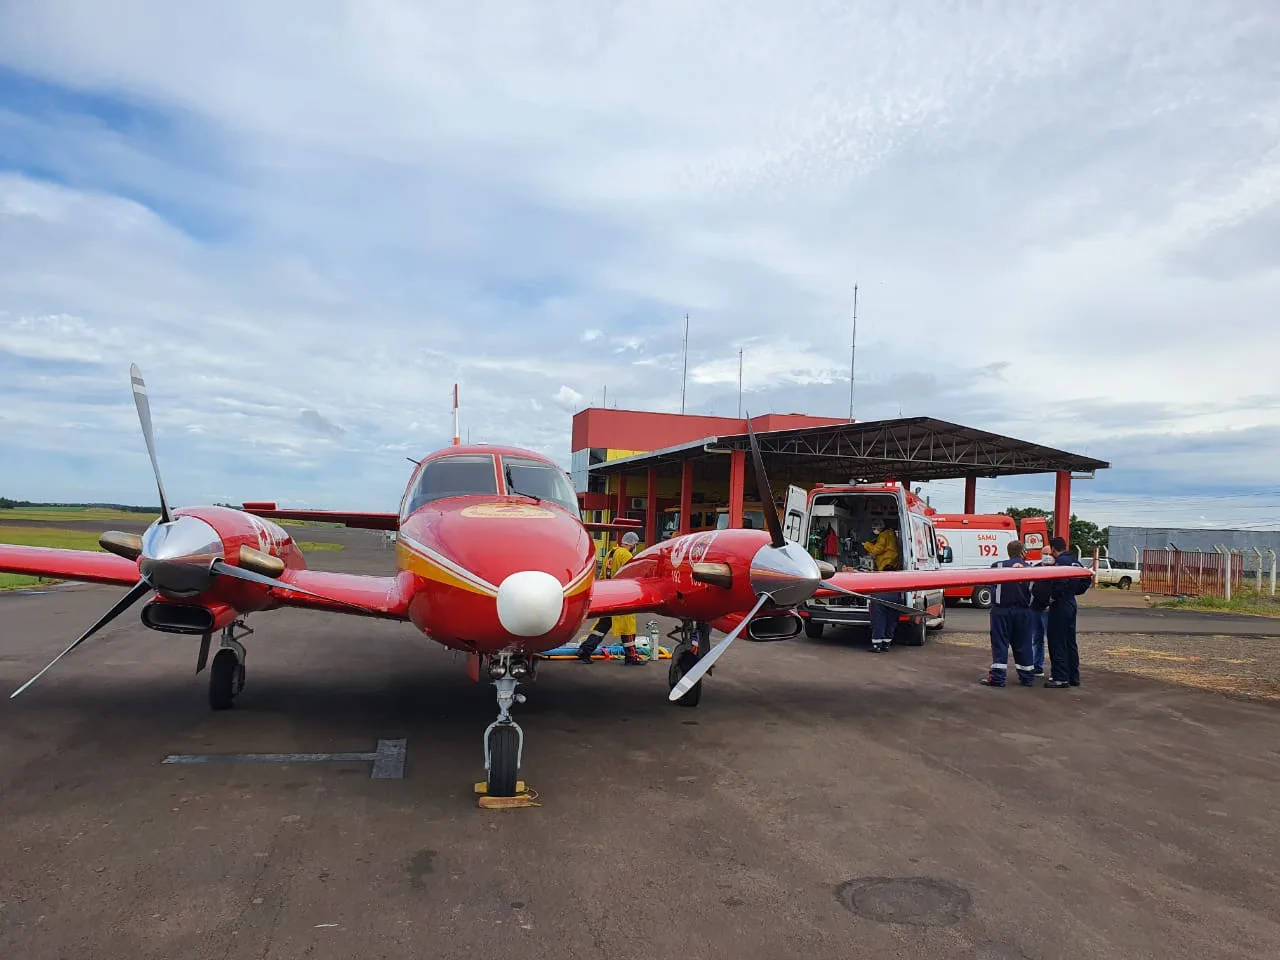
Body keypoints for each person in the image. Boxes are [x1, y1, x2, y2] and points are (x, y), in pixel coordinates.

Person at [576, 531, 645, 665]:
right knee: (628, 629)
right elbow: (632, 574)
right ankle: (631, 657)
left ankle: (585, 649)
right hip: (624, 596)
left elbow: (602, 575)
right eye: (635, 545)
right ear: (632, 544)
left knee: (601, 627)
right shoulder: (626, 555)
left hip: (610, 595)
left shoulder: (610, 553)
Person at [1031, 536, 1091, 688]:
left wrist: (1052, 596)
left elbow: (1059, 582)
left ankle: (1060, 677)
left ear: (1053, 549)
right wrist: (1073, 591)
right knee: (1070, 641)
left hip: (1060, 605)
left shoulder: (1060, 563)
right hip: (1071, 603)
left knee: (1056, 641)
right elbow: (1086, 579)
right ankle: (1073, 676)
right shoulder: (1074, 561)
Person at [980, 540, 1037, 687]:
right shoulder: (1030, 568)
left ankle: (998, 679)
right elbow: (1035, 592)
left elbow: (990, 585)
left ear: (1008, 552)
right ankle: (1027, 678)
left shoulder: (997, 566)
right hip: (1023, 612)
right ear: (1023, 552)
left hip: (1001, 611)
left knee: (1000, 645)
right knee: (1024, 645)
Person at [863, 517, 902, 653]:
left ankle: (876, 645)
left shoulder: (884, 535)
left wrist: (866, 545)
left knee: (879, 619)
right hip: (893, 593)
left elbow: (877, 550)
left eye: (875, 527)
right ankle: (886, 643)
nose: (874, 530)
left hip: (884, 568)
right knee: (891, 619)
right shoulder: (891, 535)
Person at [1030, 543, 1055, 676]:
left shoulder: (1057, 569)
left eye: (1049, 554)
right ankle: (1037, 666)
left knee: (1051, 639)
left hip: (1048, 609)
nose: (1047, 556)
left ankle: (1055, 669)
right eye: (1044, 554)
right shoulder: (1036, 568)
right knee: (1036, 638)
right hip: (1035, 608)